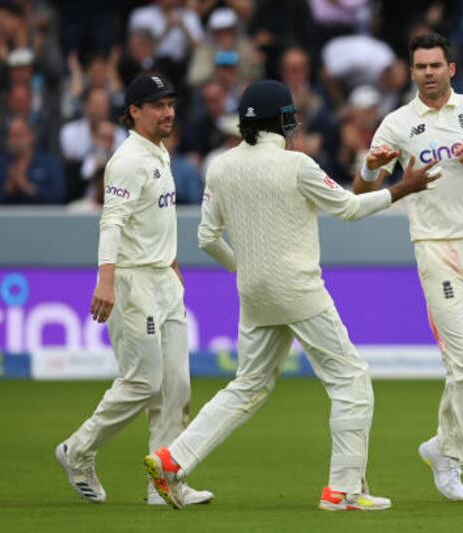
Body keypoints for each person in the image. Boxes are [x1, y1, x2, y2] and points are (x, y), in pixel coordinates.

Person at [142, 80, 439, 511]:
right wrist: (401, 189)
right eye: (288, 116)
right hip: (298, 289)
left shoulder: (221, 167)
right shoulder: (297, 164)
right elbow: (349, 209)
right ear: (277, 121)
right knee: (351, 379)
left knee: (247, 385)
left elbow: (207, 238)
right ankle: (342, 491)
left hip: (254, 292)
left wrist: (246, 268)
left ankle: (172, 459)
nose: (293, 122)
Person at [353, 33, 463, 503]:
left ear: (452, 68)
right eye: (420, 67)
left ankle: (442, 448)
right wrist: (372, 169)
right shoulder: (396, 123)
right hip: (434, 247)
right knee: (462, 361)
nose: (428, 73)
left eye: (436, 65)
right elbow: (360, 191)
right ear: (411, 73)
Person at [55, 74, 213, 507]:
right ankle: (78, 451)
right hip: (132, 283)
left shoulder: (160, 151)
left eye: (170, 103)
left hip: (164, 279)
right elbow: (113, 222)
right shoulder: (126, 160)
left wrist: (173, 263)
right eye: (158, 105)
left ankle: (164, 484)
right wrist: (106, 280)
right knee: (144, 382)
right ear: (135, 111)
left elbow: (155, 220)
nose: (168, 112)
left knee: (176, 387)